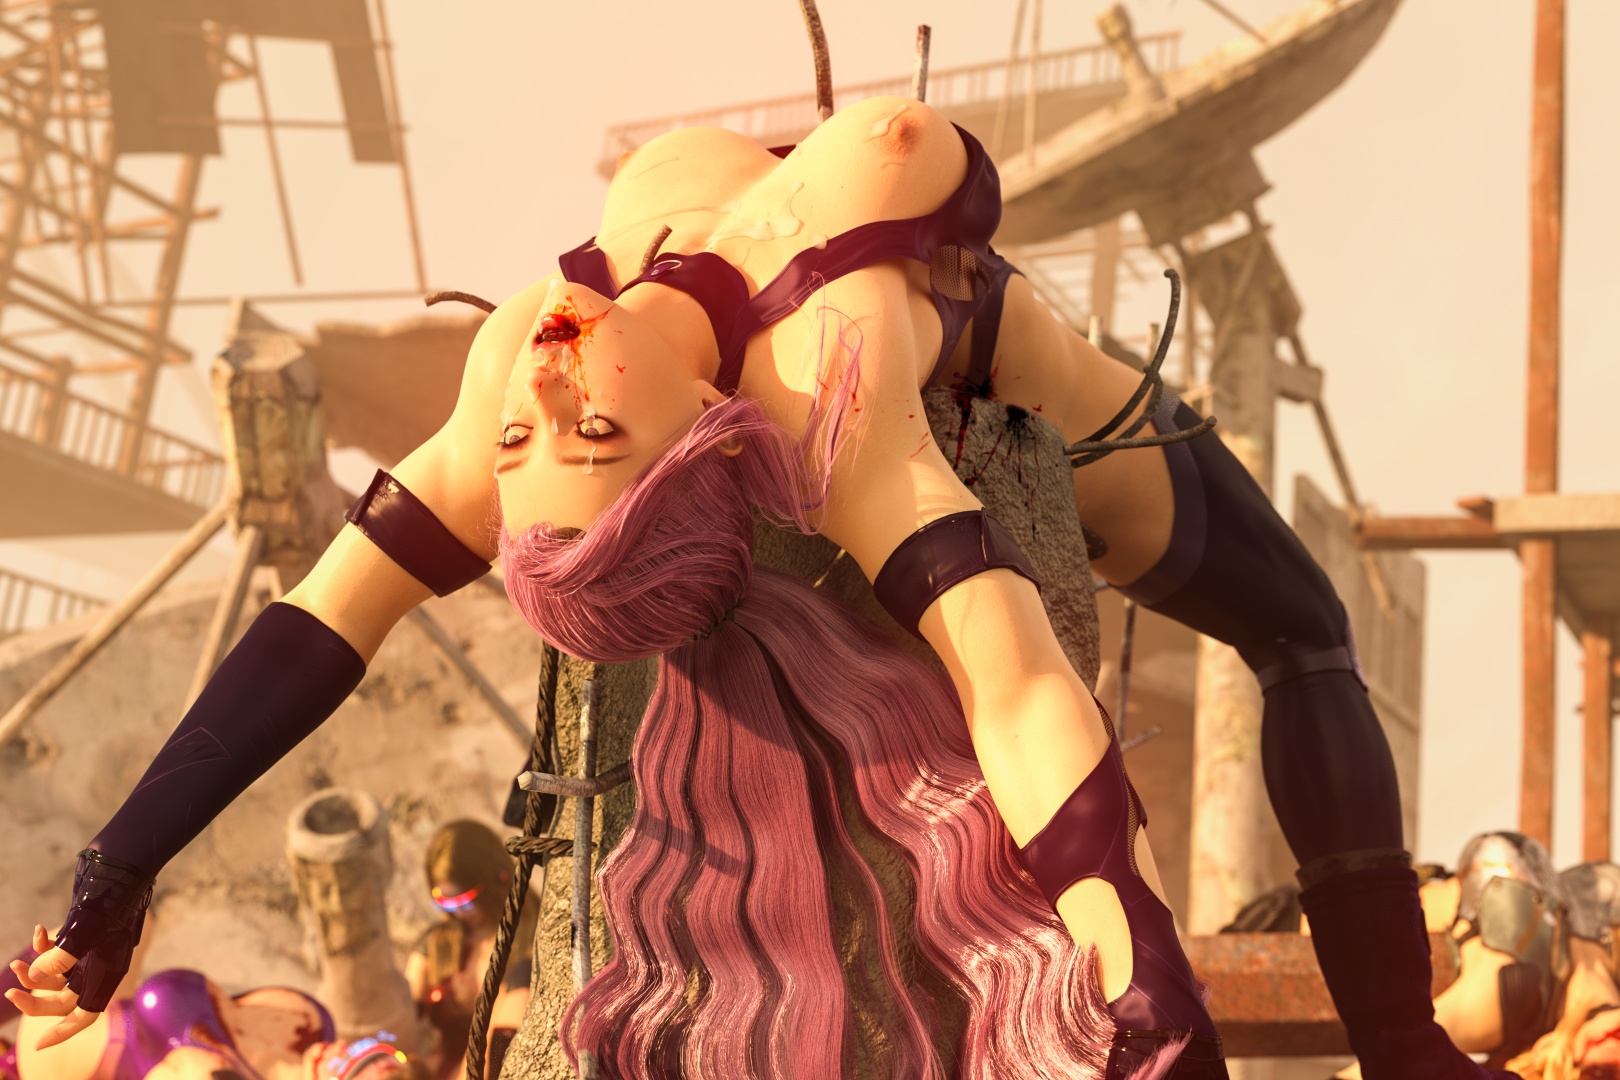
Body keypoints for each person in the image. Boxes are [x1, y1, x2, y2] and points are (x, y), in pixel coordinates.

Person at [10, 94, 1481, 1079]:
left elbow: (317, 624)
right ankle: (1407, 1048)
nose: (546, 389)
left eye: (523, 443)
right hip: (1080, 427)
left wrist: (119, 867)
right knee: (1307, 630)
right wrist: (1133, 960)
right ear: (702, 442)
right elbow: (1015, 685)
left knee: (1309, 636)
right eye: (592, 433)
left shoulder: (520, 353)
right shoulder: (830, 390)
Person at [404, 822, 532, 1080]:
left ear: (497, 879)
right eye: (445, 903)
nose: (458, 913)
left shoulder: (527, 943)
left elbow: (498, 1046)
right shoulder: (437, 941)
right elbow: (404, 1009)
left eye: (465, 901)